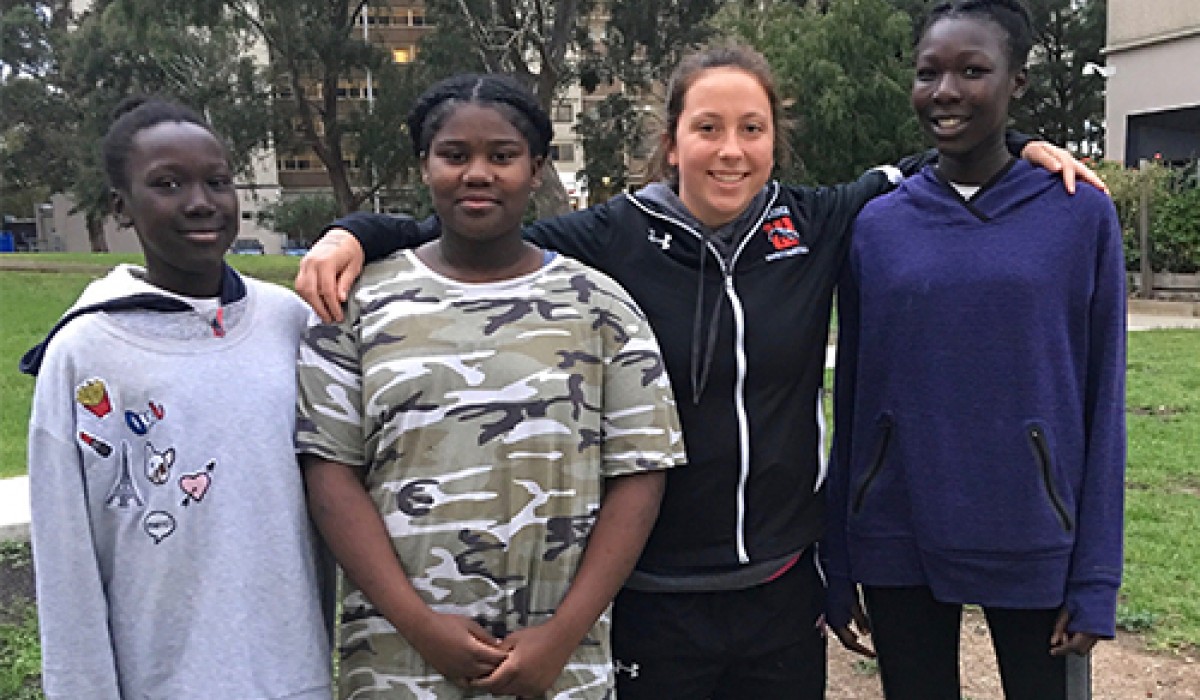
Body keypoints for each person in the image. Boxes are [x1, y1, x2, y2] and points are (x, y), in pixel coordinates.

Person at [293, 44, 1105, 699]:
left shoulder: (816, 221)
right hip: (652, 593)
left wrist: (1027, 150)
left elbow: (939, 159)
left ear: (773, 140)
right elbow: (483, 220)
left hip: (782, 583)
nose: (730, 150)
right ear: (672, 138)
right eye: (708, 128)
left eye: (752, 129)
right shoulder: (611, 234)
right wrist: (356, 233)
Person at [295, 73, 683, 699]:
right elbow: (330, 472)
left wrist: (562, 635)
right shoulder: (358, 305)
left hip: (558, 664)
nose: (478, 173)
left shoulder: (602, 308)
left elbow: (640, 475)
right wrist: (422, 627)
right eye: (454, 155)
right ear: (424, 166)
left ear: (535, 169)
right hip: (400, 660)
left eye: (501, 156)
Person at [824, 1, 1126, 698]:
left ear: (1017, 80)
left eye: (972, 70)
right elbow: (852, 396)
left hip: (1032, 537)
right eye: (929, 72)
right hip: (898, 533)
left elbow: (1104, 401)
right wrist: (840, 560)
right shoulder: (875, 225)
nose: (946, 91)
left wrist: (1096, 579)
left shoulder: (1080, 214)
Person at [21, 97, 332, 699]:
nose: (200, 202)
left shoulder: (290, 325)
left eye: (217, 181)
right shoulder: (86, 351)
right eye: (167, 184)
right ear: (122, 206)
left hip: (294, 676)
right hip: (159, 682)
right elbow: (66, 560)